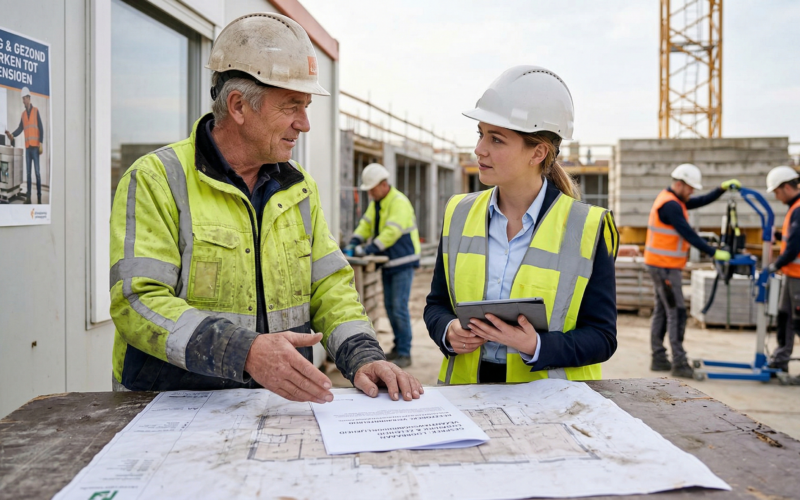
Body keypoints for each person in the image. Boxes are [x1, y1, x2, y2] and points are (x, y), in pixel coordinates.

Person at [108, 13, 422, 403]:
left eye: (306, 107)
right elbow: (138, 301)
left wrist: (362, 355)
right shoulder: (158, 179)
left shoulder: (298, 188)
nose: (304, 124)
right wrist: (244, 352)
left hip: (275, 408)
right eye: (292, 107)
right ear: (239, 106)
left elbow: (329, 286)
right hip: (171, 410)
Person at [424, 65, 620, 384]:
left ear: (538, 153)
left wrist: (536, 345)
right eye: (481, 134)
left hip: (550, 405)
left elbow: (602, 336)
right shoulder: (458, 213)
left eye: (496, 139)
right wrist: (448, 331)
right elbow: (437, 305)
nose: (479, 149)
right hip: (466, 394)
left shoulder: (587, 227)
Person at [644, 164, 741, 378]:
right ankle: (679, 362)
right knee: (676, 311)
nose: (692, 192)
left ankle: (658, 358)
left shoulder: (674, 200)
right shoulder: (670, 205)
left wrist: (720, 190)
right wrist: (714, 253)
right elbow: (689, 234)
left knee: (663, 310)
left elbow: (699, 201)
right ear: (679, 184)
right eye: (690, 188)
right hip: (665, 267)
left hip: (662, 265)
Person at [345, 163, 421, 368]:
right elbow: (366, 223)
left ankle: (405, 353)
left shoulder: (398, 202)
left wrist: (368, 249)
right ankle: (398, 349)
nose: (369, 193)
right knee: (390, 307)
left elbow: (391, 233)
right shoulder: (378, 202)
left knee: (399, 307)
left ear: (384, 184)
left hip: (402, 261)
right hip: (388, 261)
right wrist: (355, 241)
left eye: (371, 188)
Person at [765, 166, 800, 381]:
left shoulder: (798, 209)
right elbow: (791, 237)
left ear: (786, 187)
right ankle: (781, 359)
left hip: (798, 276)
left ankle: (781, 359)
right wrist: (777, 234)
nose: (777, 197)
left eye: (777, 192)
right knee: (785, 317)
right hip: (792, 275)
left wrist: (774, 265)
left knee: (798, 321)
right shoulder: (794, 208)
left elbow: (794, 246)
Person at [5, 86, 44, 204]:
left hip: (35, 147)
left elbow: (41, 128)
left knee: (37, 173)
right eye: (22, 99)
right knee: (28, 173)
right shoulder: (23, 115)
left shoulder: (36, 111)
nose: (23, 101)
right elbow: (20, 128)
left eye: (24, 99)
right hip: (28, 148)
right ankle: (28, 197)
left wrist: (41, 142)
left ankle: (39, 197)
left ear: (28, 98)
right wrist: (11, 134)